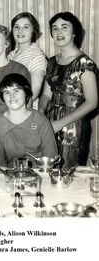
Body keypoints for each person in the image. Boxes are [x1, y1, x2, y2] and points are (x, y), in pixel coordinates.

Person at [39, 12, 98, 168]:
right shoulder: (51, 62)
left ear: (74, 32)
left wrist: (59, 124)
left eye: (64, 27)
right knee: (49, 166)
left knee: (68, 169)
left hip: (74, 124)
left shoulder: (84, 63)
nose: (59, 32)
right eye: (55, 28)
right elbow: (46, 94)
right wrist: (40, 113)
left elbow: (92, 102)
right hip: (51, 120)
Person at [0, 74, 57, 167]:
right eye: (6, 92)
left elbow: (51, 157)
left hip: (40, 173)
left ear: (26, 93)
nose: (11, 96)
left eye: (16, 91)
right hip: (9, 175)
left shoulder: (40, 120)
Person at [8, 12, 46, 110]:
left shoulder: (37, 56)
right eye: (16, 27)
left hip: (24, 111)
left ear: (33, 31)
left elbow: (32, 95)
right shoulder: (10, 55)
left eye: (26, 27)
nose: (20, 31)